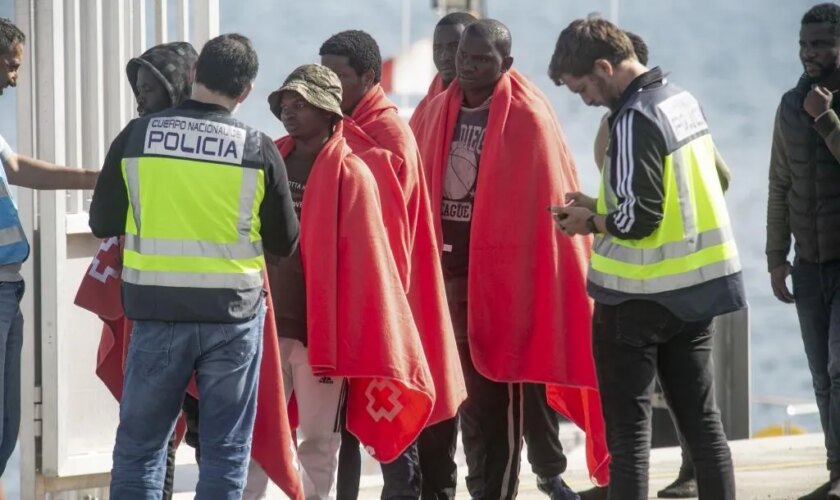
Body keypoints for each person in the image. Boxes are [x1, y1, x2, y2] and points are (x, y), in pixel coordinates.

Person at [89, 33, 300, 498]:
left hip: (157, 314)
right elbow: (285, 242)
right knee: (225, 452)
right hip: (233, 319)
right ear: (245, 92)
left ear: (195, 75)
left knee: (141, 450)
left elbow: (102, 220)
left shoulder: (137, 136)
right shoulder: (258, 148)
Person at [549, 17, 747, 500]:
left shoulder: (634, 116)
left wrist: (589, 223)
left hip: (636, 299)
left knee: (629, 438)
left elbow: (640, 219)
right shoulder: (680, 102)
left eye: (583, 90)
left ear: (604, 65)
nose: (587, 101)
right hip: (696, 292)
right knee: (704, 426)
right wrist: (600, 203)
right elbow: (709, 183)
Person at [412, 19, 610, 500]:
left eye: (482, 60)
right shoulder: (435, 109)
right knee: (436, 403)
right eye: (464, 57)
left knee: (491, 410)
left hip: (501, 290)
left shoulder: (529, 117)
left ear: (507, 64)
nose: (469, 67)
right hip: (443, 281)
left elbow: (545, 217)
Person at [243, 63, 436, 500]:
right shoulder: (269, 160)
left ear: (329, 112)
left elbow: (369, 266)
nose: (290, 112)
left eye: (301, 104)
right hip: (266, 326)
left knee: (318, 441)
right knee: (254, 434)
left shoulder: (353, 175)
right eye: (285, 104)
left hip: (320, 338)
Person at [320, 30, 465, 500]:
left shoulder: (388, 132)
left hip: (386, 295)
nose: (329, 85)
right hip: (346, 294)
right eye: (324, 74)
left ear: (367, 76)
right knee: (337, 420)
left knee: (387, 409)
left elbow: (385, 227)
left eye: (338, 76)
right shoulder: (337, 126)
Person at [0, 17, 99, 500]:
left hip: (8, 284)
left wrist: (91, 178)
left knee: (7, 423)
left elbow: (16, 169)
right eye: (11, 66)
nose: (14, 79)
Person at [767, 4, 840, 499]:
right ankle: (835, 468)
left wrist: (828, 120)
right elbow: (779, 184)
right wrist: (776, 257)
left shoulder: (818, 108)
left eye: (819, 44)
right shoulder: (791, 104)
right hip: (809, 263)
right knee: (819, 373)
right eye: (804, 44)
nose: (809, 53)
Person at [409, 11, 478, 130]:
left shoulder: (499, 103)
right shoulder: (423, 111)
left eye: (454, 47)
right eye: (437, 48)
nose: (444, 56)